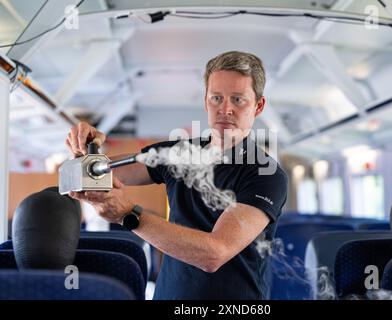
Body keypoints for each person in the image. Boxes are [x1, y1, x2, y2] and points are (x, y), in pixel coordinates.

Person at [66, 51, 288, 299]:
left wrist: (129, 215)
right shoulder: (176, 153)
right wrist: (88, 149)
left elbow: (214, 253)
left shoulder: (266, 175)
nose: (225, 109)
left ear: (258, 106)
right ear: (206, 101)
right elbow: (90, 174)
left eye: (238, 99)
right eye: (216, 98)